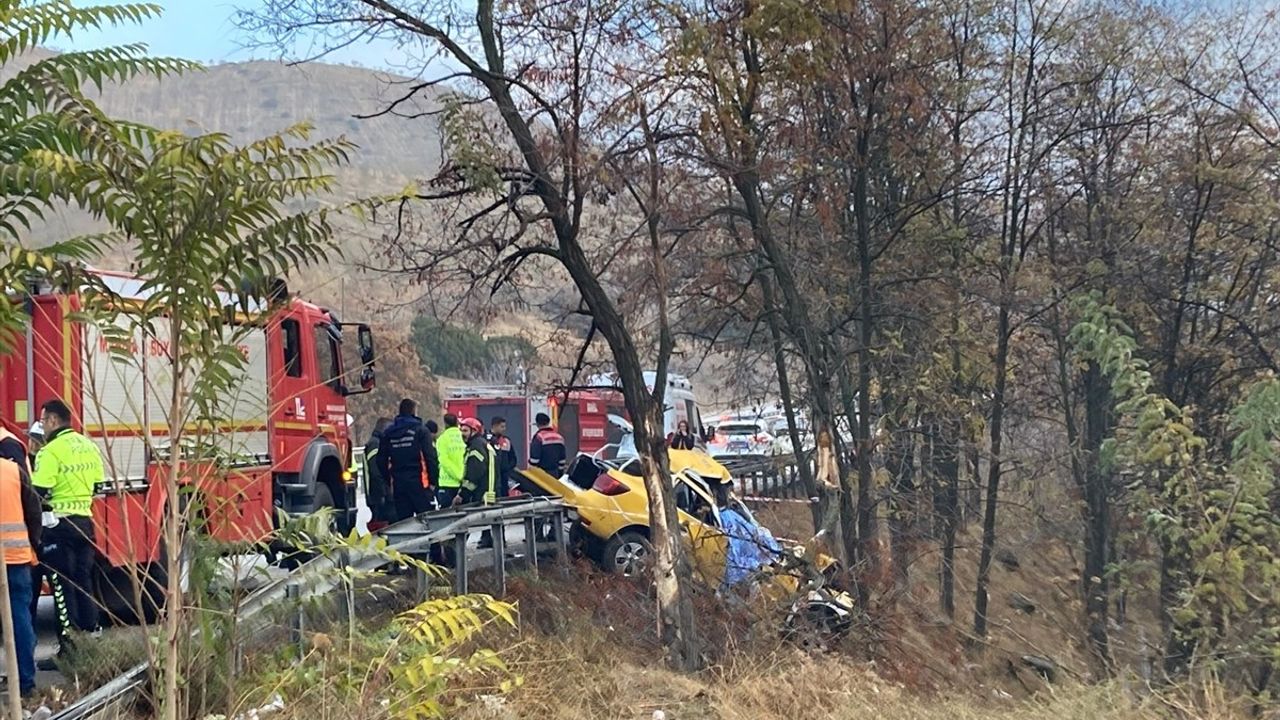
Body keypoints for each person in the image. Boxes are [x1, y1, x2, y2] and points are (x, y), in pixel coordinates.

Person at [31, 399, 102, 667]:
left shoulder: (50, 452)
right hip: (84, 523)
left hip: (58, 528)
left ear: (51, 420)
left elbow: (38, 493)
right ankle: (92, 635)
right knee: (83, 581)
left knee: (61, 586)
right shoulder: (88, 445)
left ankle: (68, 648)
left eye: (43, 420)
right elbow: (97, 485)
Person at [0, 441, 40, 698]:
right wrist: (33, 544)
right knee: (20, 619)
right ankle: (26, 683)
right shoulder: (14, 471)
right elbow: (33, 511)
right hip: (16, 557)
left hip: (14, 557)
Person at [377, 400, 439, 522]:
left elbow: (380, 460)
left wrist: (388, 481)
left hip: (399, 484)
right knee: (427, 523)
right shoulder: (421, 431)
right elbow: (430, 457)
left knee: (405, 523)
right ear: (413, 412)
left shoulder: (389, 433)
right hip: (420, 484)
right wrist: (433, 481)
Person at [478, 417, 518, 549]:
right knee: (487, 510)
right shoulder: (485, 440)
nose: (504, 429)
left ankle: (501, 539)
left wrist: (506, 469)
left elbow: (513, 459)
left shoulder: (506, 441)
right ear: (494, 426)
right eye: (502, 426)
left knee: (500, 512)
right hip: (489, 482)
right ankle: (485, 538)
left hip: (502, 481)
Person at [363, 417, 394, 532]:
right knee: (384, 523)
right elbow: (375, 470)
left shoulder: (376, 442)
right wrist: (383, 492)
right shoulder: (375, 444)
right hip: (378, 493)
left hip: (377, 493)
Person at [460, 417, 497, 507]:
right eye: (461, 431)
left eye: (465, 431)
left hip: (481, 497)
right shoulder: (482, 444)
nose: (462, 434)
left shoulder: (476, 447)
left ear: (474, 431)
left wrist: (462, 495)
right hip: (487, 496)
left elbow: (474, 474)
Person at [435, 414, 466, 509]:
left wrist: (457, 475)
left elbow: (444, 461)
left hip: (447, 483)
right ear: (457, 422)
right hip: (464, 483)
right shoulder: (464, 437)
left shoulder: (442, 439)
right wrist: (462, 476)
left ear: (445, 423)